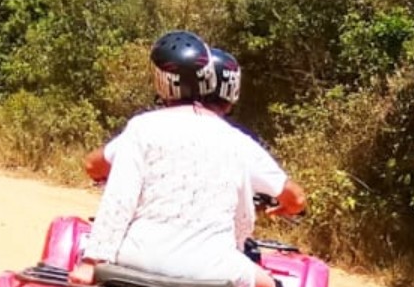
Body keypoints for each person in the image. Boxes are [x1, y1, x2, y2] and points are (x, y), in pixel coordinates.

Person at [72, 30, 277, 287]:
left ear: (162, 82)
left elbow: (120, 199)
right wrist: (235, 248)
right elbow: (243, 217)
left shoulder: (142, 127)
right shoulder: (236, 141)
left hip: (137, 258)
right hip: (213, 270)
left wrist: (91, 261)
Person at [84, 44, 306, 220]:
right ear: (231, 94)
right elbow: (295, 198)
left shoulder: (147, 128)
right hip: (212, 266)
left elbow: (93, 166)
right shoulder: (239, 145)